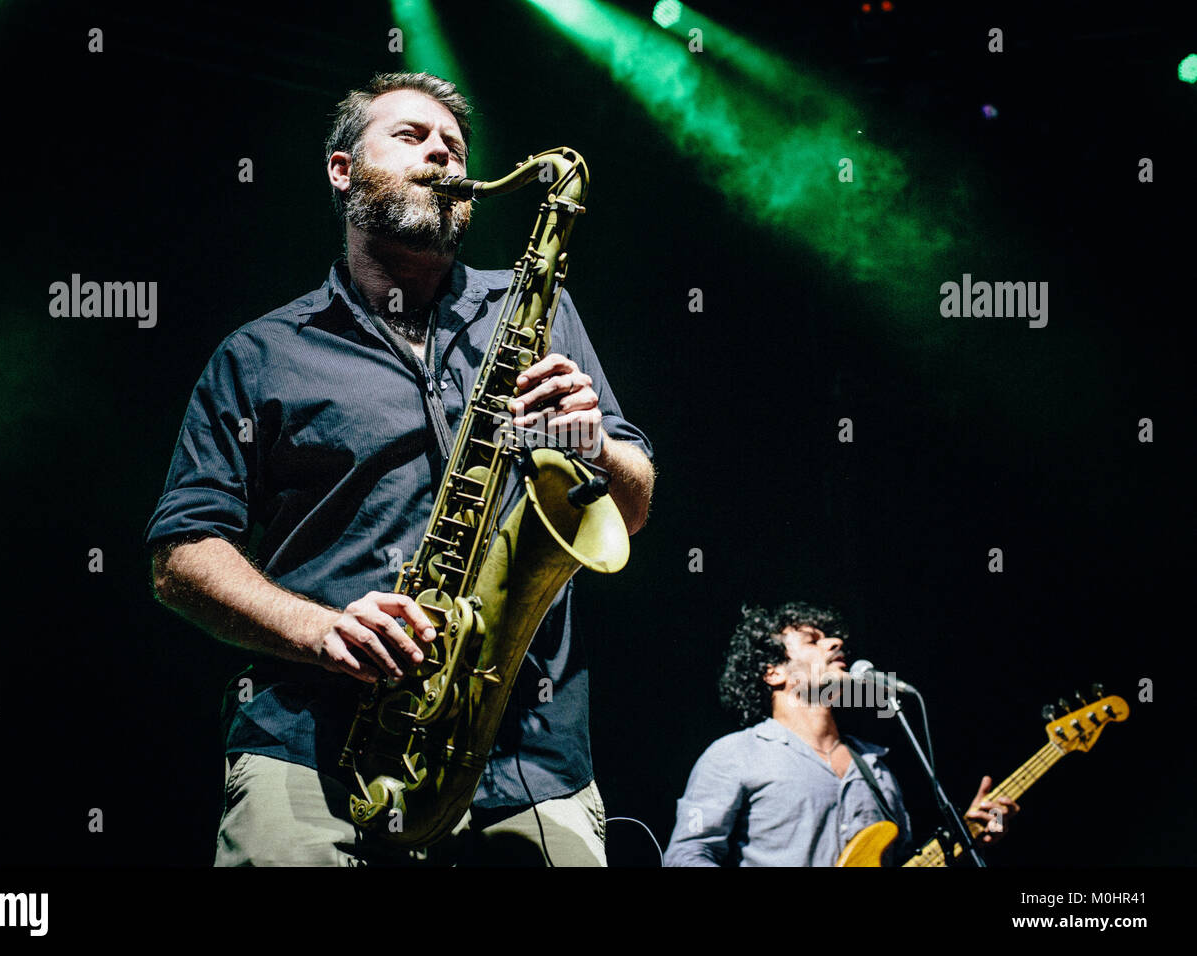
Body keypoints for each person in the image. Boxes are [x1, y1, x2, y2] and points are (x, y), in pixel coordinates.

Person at [145, 71, 654, 867]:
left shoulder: (538, 310)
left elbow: (629, 507)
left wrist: (592, 444)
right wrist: (321, 630)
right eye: (412, 138)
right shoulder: (259, 354)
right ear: (342, 170)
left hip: (531, 759)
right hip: (310, 750)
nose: (443, 157)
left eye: (454, 146)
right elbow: (180, 556)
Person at [663, 602, 1017, 867]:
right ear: (772, 673)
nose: (835, 642)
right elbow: (688, 854)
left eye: (832, 637)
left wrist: (969, 837)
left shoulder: (875, 767)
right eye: (813, 640)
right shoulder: (735, 755)